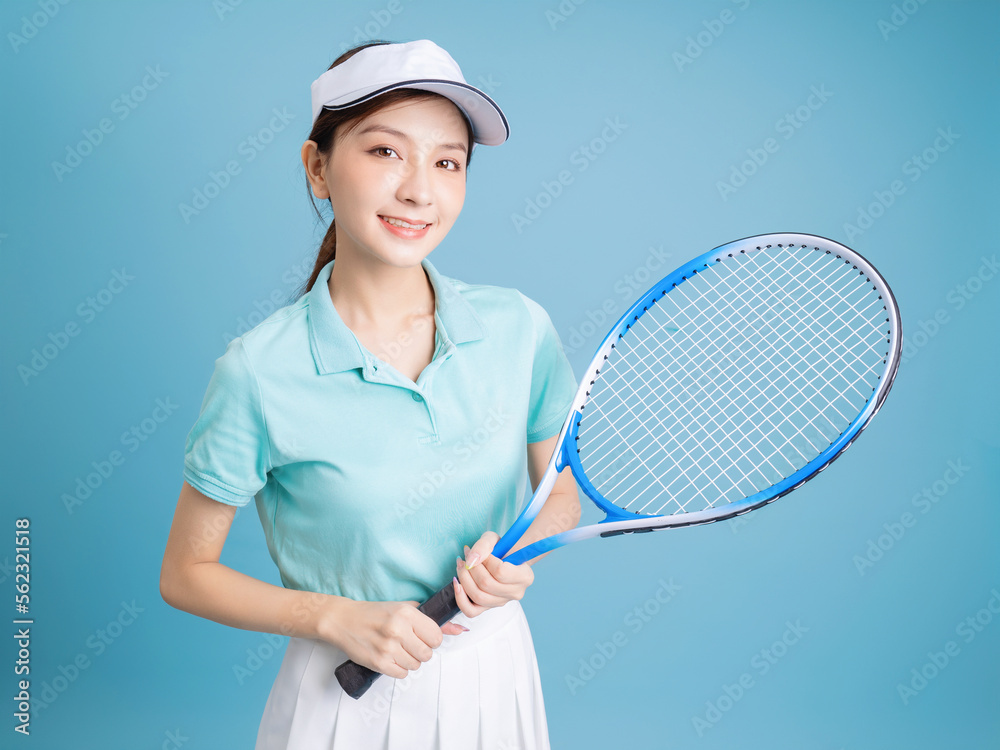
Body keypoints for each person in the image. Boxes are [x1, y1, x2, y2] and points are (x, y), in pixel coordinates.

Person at [160, 39, 581, 749]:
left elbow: (560, 490)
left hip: (495, 677)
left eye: (447, 161)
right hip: (342, 692)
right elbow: (186, 574)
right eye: (386, 152)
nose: (420, 189)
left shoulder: (519, 328)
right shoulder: (259, 371)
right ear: (317, 168)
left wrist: (515, 553)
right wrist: (333, 617)